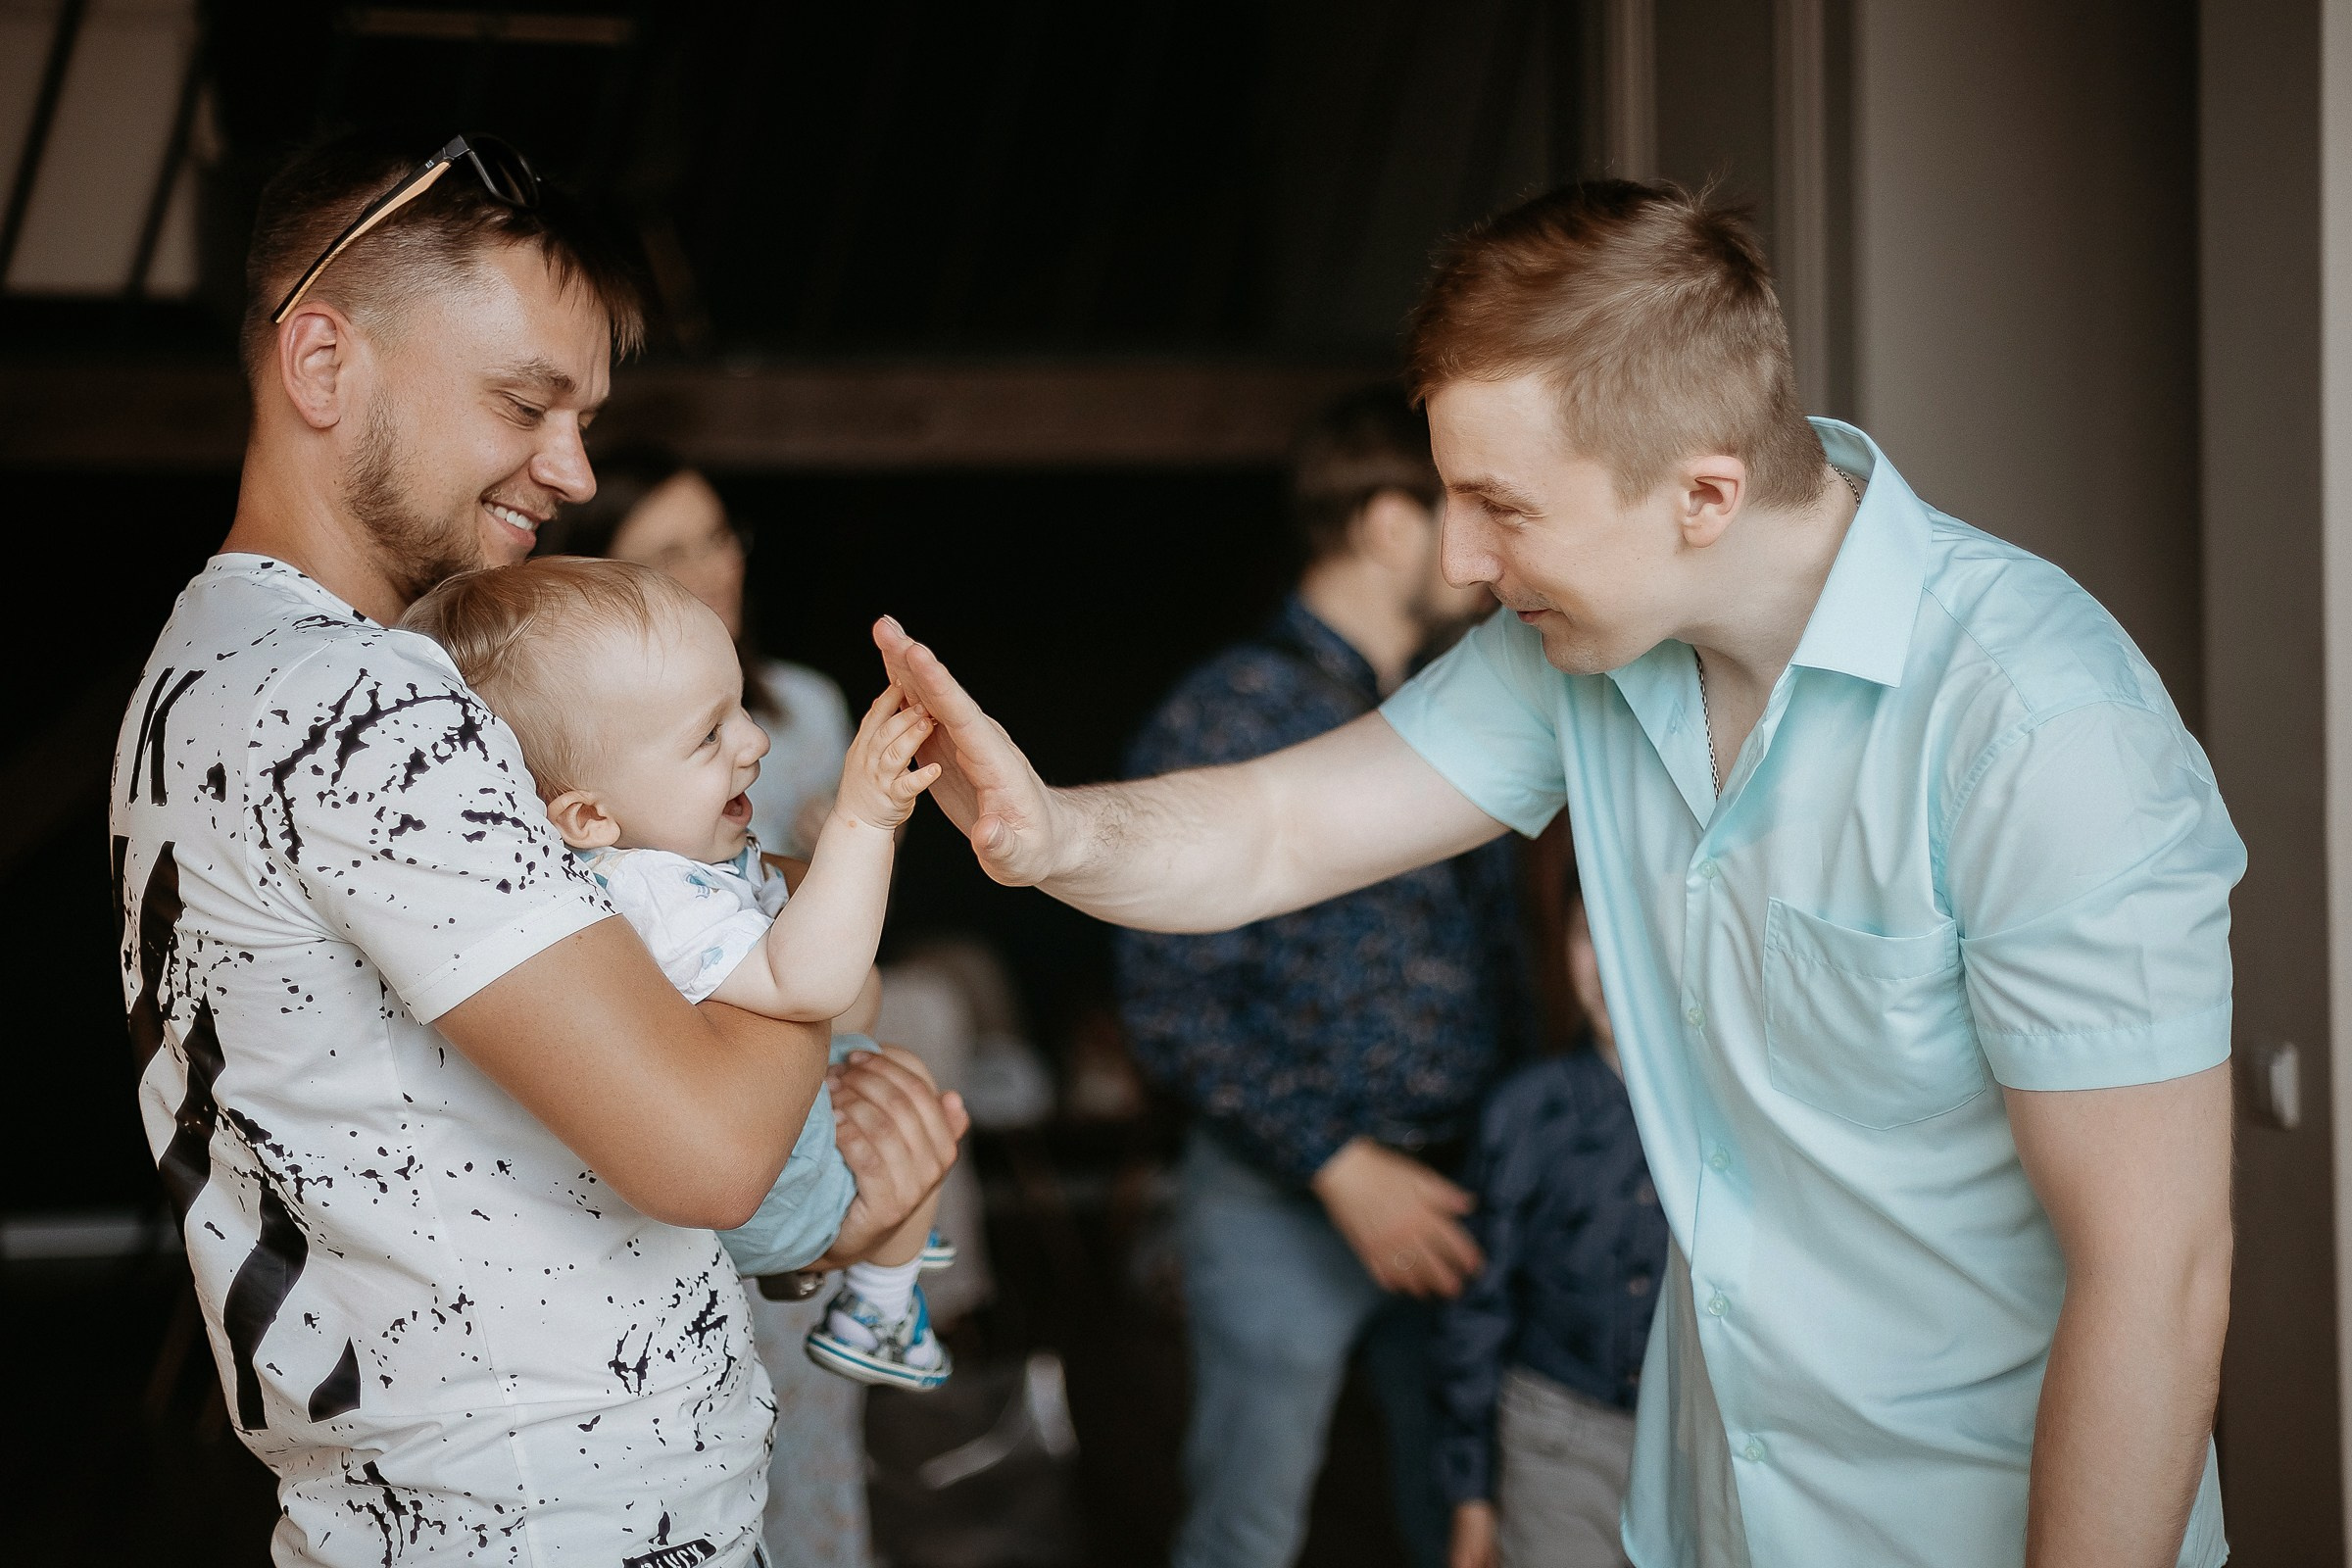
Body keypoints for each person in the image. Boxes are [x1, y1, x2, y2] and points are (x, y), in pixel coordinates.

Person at [874, 178, 2239, 1568]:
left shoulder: (2041, 730)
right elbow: (1280, 831)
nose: (1462, 563)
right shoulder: (1581, 649)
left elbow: (2156, 1280)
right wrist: (1053, 833)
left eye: (1499, 507)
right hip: (1701, 1519)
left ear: (1704, 492)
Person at [110, 132, 961, 1566]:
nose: (572, 468)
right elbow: (703, 1152)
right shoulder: (365, 703)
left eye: (585, 415)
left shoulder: (202, 672)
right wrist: (807, 956)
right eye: (526, 402)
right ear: (322, 363)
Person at [1113, 388, 1521, 1568]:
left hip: (1454, 1190)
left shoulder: (1461, 707)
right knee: (1250, 1530)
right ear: (1392, 523)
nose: (1487, 552)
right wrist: (1343, 1166)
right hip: (1285, 1198)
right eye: (1464, 509)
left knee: (1454, 1517)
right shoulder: (1230, 711)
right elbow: (1170, 1002)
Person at [401, 556, 956, 1390]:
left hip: (754, 1179)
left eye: (738, 708)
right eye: (709, 735)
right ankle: (882, 1304)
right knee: (906, 1074)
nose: (755, 742)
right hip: (781, 1200)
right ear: (588, 815)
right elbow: (814, 986)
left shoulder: (659, 863)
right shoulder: (655, 892)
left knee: (894, 1071)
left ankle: (896, 1245)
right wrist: (864, 822)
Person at [1435, 868, 1668, 1568]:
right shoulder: (1526, 1111)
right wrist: (1472, 1498)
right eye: (1589, 933)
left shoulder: (1745, 1113)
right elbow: (1478, 1310)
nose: (1613, 959)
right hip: (1555, 1433)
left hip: (1703, 1437)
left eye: (1640, 930)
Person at [534, 443, 851, 858]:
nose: (714, 573)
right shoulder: (554, 743)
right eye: (670, 558)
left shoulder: (808, 704)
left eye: (718, 538)